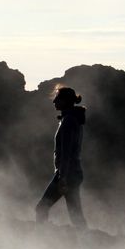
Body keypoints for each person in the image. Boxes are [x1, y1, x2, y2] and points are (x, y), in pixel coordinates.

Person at [35, 85, 87, 228]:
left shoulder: (69, 121)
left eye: (57, 98)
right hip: (72, 173)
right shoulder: (71, 119)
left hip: (67, 174)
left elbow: (67, 152)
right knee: (76, 215)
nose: (54, 102)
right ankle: (87, 244)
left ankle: (41, 241)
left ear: (65, 101)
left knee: (41, 208)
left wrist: (62, 177)